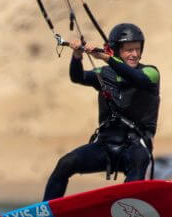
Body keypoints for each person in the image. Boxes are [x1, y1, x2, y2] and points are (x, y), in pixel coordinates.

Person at [43, 22, 160, 201]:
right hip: (104, 145)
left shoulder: (150, 73)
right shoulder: (104, 73)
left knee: (139, 161)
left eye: (137, 49)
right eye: (129, 50)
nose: (134, 54)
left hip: (135, 145)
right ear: (116, 50)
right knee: (66, 163)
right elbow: (78, 77)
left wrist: (108, 59)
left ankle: (127, 209)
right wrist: (77, 55)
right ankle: (46, 214)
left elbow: (134, 77)